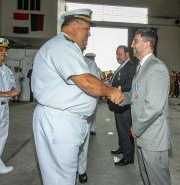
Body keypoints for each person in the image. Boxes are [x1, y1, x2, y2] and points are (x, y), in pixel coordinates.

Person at [31, 8, 123, 185]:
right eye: (86, 29)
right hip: (59, 122)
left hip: (66, 121)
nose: (89, 34)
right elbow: (86, 82)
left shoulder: (66, 47)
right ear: (73, 26)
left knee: (65, 175)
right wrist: (111, 92)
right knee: (61, 179)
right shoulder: (62, 46)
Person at [122, 28, 172, 185]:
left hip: (153, 138)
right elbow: (136, 95)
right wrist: (121, 97)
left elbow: (154, 107)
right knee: (146, 177)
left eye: (135, 41)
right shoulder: (141, 67)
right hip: (144, 136)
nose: (132, 45)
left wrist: (136, 129)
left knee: (158, 180)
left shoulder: (156, 68)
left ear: (147, 43)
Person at [0, 38, 20, 175]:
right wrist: (7, 93)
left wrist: (14, 90)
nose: (4, 53)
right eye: (0, 50)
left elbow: (12, 85)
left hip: (4, 107)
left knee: (1, 138)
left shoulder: (7, 70)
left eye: (5, 50)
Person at [107, 45, 136, 166]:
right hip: (118, 104)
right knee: (120, 129)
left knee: (125, 130)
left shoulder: (131, 66)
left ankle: (128, 157)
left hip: (124, 104)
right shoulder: (122, 66)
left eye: (119, 54)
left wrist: (115, 89)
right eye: (116, 54)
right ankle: (122, 148)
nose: (117, 56)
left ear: (127, 54)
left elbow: (130, 85)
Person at [77, 52, 101, 183]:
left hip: (83, 111)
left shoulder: (91, 64)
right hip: (65, 112)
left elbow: (96, 85)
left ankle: (81, 171)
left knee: (83, 144)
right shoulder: (64, 57)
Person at [84, 52, 101, 135]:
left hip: (93, 94)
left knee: (93, 111)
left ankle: (92, 128)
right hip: (91, 94)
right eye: (90, 57)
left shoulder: (98, 69)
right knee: (91, 111)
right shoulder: (92, 65)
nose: (92, 59)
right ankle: (90, 128)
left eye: (92, 58)